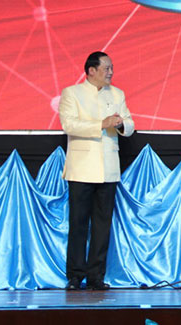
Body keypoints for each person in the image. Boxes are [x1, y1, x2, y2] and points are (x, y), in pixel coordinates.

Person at [58, 51, 135, 290]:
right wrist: (101, 124)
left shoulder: (117, 94)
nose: (111, 72)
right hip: (81, 168)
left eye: (111, 68)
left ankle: (96, 276)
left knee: (102, 225)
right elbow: (69, 124)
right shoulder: (72, 93)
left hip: (108, 168)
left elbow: (130, 124)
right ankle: (75, 275)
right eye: (106, 68)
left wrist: (120, 124)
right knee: (78, 224)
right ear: (91, 70)